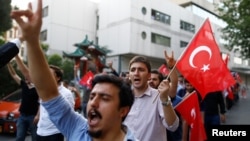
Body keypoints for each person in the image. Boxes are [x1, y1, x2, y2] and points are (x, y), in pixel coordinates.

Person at [11, 1, 138, 140]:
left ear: (123, 111)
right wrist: (32, 41)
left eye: (105, 98)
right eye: (92, 97)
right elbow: (47, 92)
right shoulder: (78, 128)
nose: (93, 103)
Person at [123, 51, 179, 141]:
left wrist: (165, 100)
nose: (136, 73)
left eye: (141, 70)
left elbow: (173, 126)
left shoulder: (159, 96)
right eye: (133, 70)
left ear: (149, 75)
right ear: (129, 75)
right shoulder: (121, 97)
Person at [36, 65, 75, 141]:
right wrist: (38, 116)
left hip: (55, 132)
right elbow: (41, 106)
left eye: (50, 74)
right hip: (40, 131)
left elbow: (70, 114)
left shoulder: (66, 93)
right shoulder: (43, 91)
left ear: (58, 78)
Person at [7, 55, 39, 141]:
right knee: (19, 137)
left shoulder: (38, 88)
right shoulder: (23, 85)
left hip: (33, 116)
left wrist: (37, 116)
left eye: (27, 76)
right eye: (25, 76)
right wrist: (8, 64)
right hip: (22, 115)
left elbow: (41, 103)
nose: (26, 77)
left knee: (35, 137)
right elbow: (14, 74)